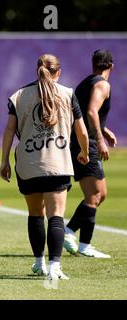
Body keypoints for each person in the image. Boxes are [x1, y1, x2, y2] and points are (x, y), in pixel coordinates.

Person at [0, 54, 89, 280]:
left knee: (35, 214)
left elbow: (9, 130)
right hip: (57, 162)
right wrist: (85, 152)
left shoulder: (19, 95)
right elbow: (82, 131)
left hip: (28, 164)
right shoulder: (68, 94)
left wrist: (4, 160)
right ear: (58, 71)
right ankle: (55, 267)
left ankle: (39, 262)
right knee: (56, 216)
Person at [63, 50, 115, 259]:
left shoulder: (85, 83)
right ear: (111, 66)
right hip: (87, 145)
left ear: (93, 64)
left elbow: (82, 114)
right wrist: (100, 140)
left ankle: (79, 240)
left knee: (98, 195)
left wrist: (103, 130)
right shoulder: (102, 85)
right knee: (95, 195)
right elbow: (92, 112)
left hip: (80, 142)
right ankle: (72, 236)